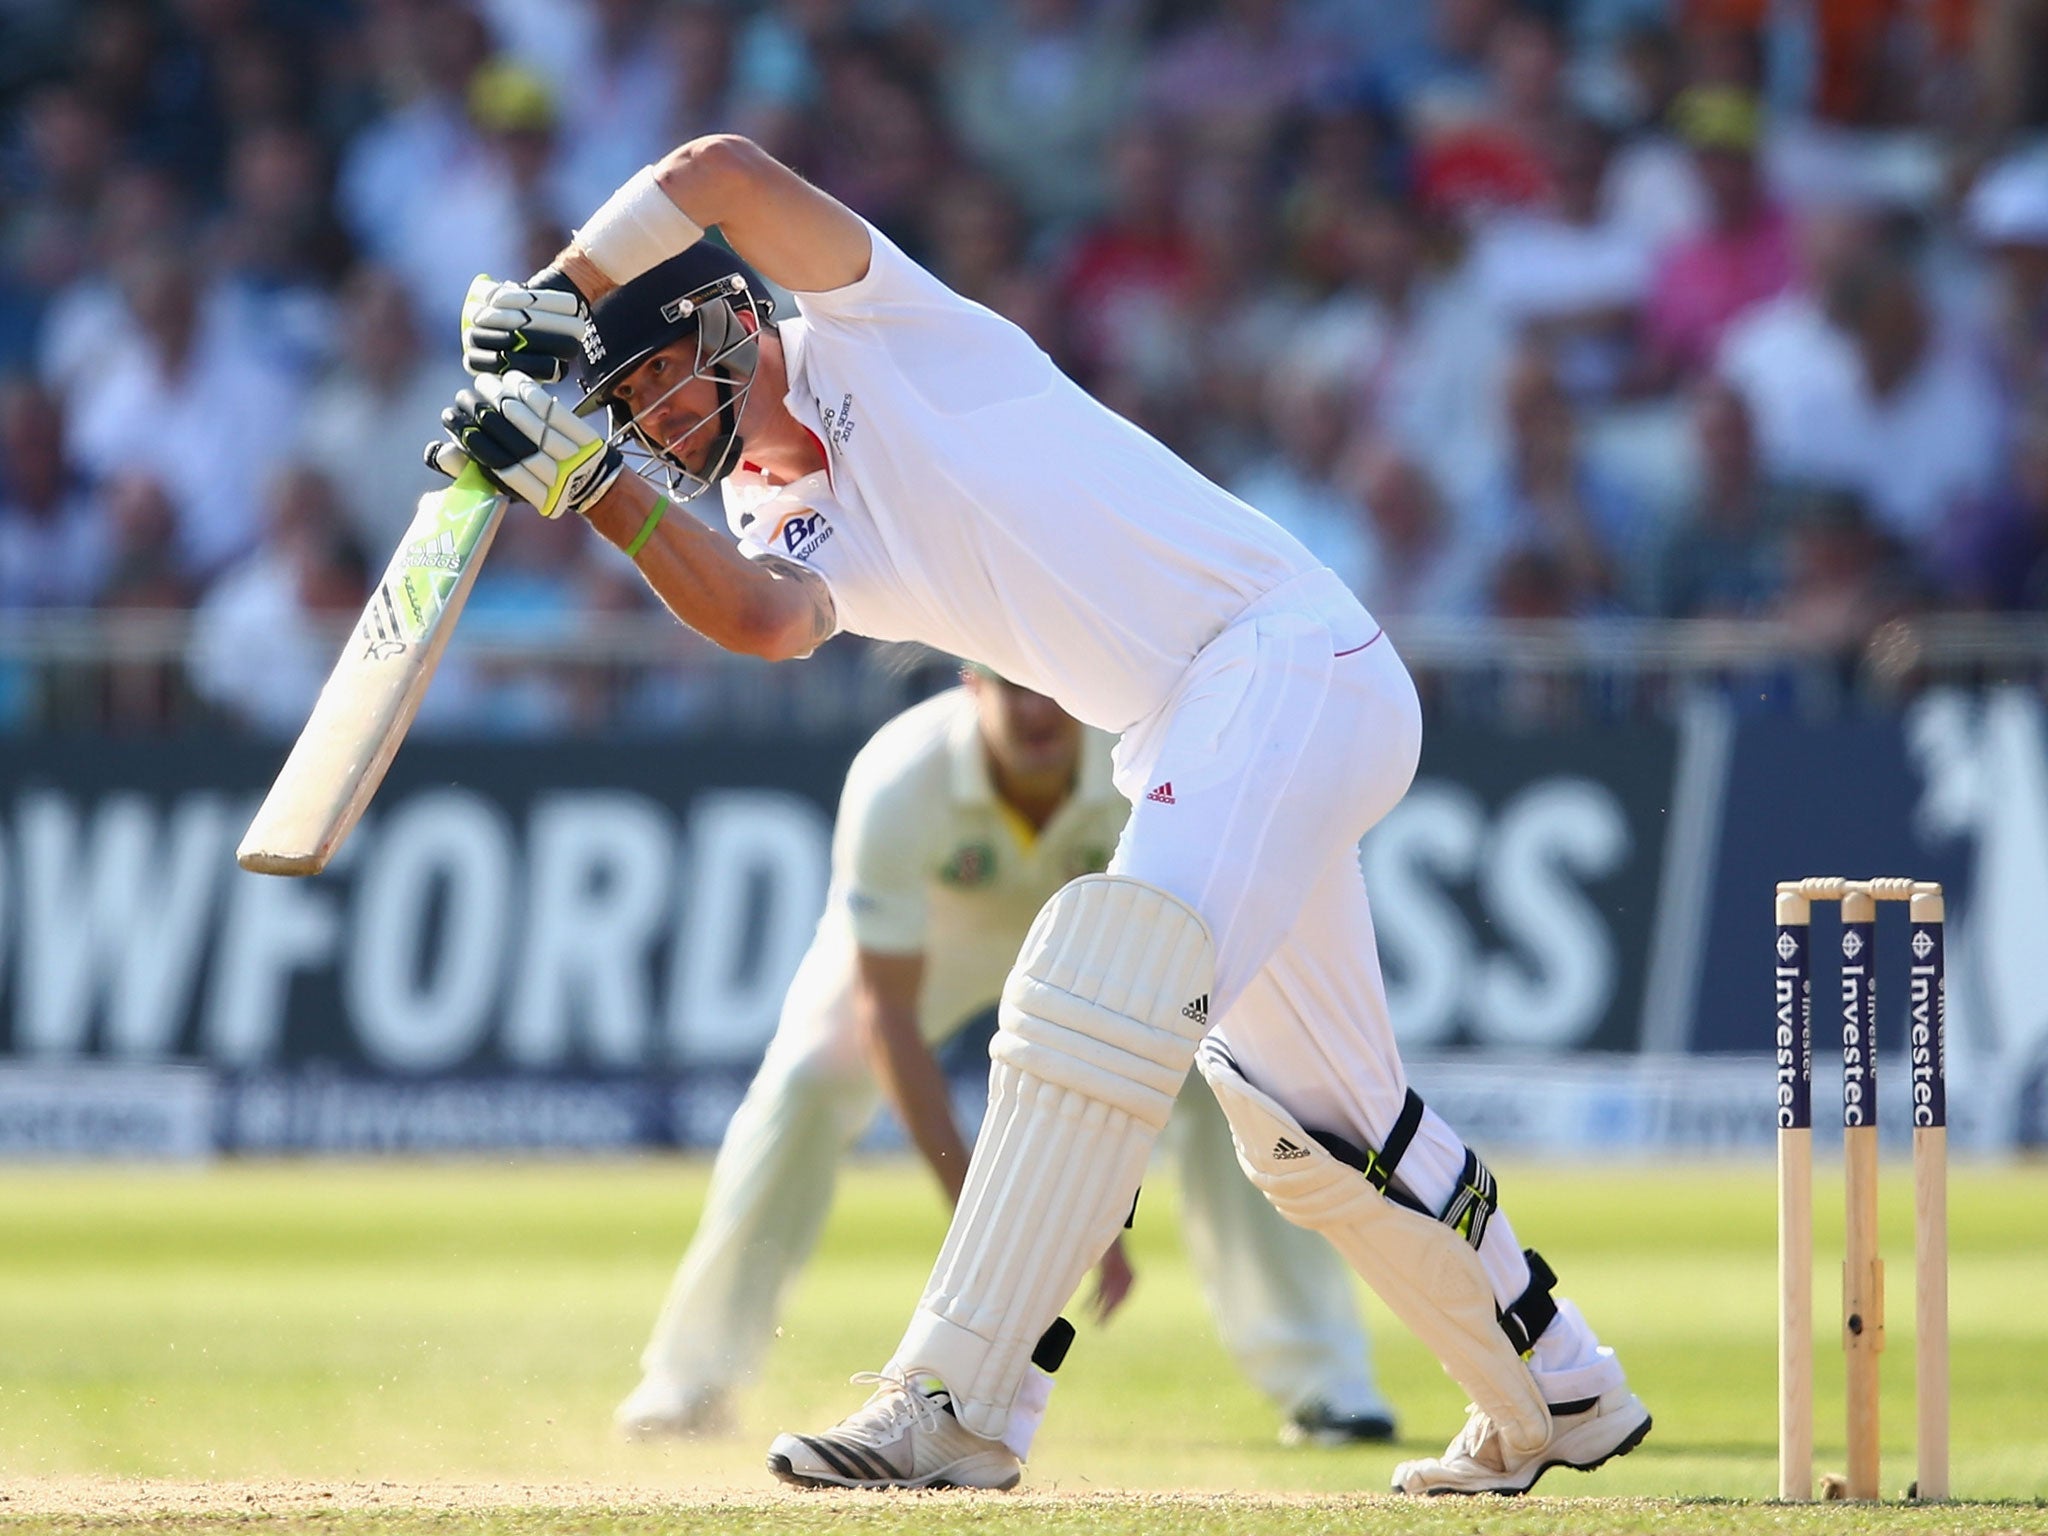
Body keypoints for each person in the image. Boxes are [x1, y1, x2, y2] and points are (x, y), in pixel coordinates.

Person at [436, 132, 1652, 1496]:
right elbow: (767, 625)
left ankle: (958, 1407)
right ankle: (1561, 1386)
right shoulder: (770, 516)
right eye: (629, 410)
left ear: (726, 318)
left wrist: (553, 285)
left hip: (1282, 654)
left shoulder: (880, 325)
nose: (657, 420)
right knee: (1311, 1123)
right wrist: (596, 495)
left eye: (658, 377)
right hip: (1208, 721)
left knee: (1099, 997)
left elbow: (717, 172)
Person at [614, 669, 1398, 1449]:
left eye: (1051, 686)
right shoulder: (900, 776)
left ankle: (1327, 1385)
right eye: (1009, 687)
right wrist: (992, 1214)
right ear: (971, 688)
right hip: (941, 931)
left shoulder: (1141, 762)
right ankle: (691, 1381)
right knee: (808, 1080)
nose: (1035, 710)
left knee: (1222, 1072)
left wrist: (1089, 1212)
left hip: (1098, 926)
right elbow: (887, 1016)